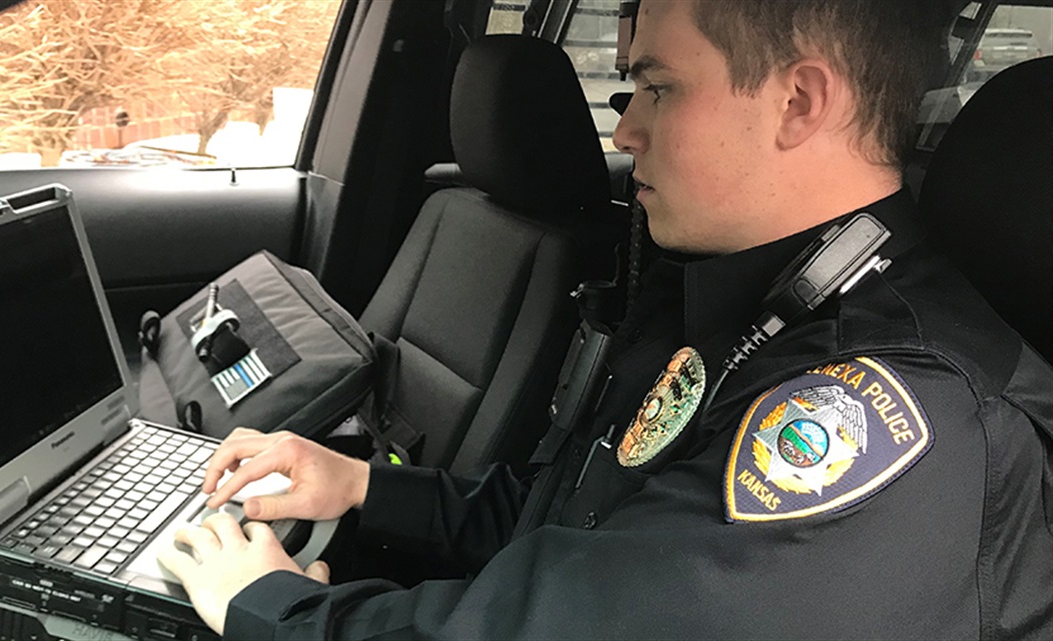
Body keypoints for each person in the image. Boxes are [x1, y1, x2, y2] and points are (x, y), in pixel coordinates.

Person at [159, 1, 1053, 638]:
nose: (624, 133)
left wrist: (276, 608)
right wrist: (362, 485)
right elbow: (583, 514)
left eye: (658, 88)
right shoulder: (734, 298)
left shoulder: (897, 414)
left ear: (799, 102)